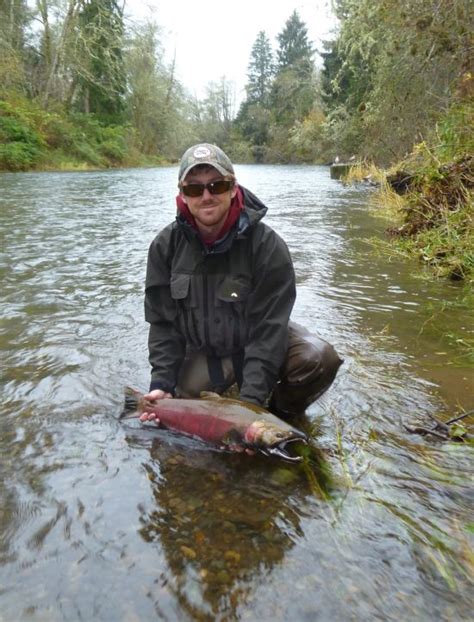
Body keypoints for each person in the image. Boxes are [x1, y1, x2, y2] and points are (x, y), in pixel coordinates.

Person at [142, 143, 342, 421]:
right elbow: (163, 325)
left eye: (217, 185)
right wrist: (161, 384)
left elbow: (269, 331)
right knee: (183, 400)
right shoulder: (165, 247)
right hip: (205, 349)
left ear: (233, 187)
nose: (207, 195)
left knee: (318, 359)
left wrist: (251, 411)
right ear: (182, 195)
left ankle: (283, 415)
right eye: (194, 188)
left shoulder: (268, 247)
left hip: (257, 338)